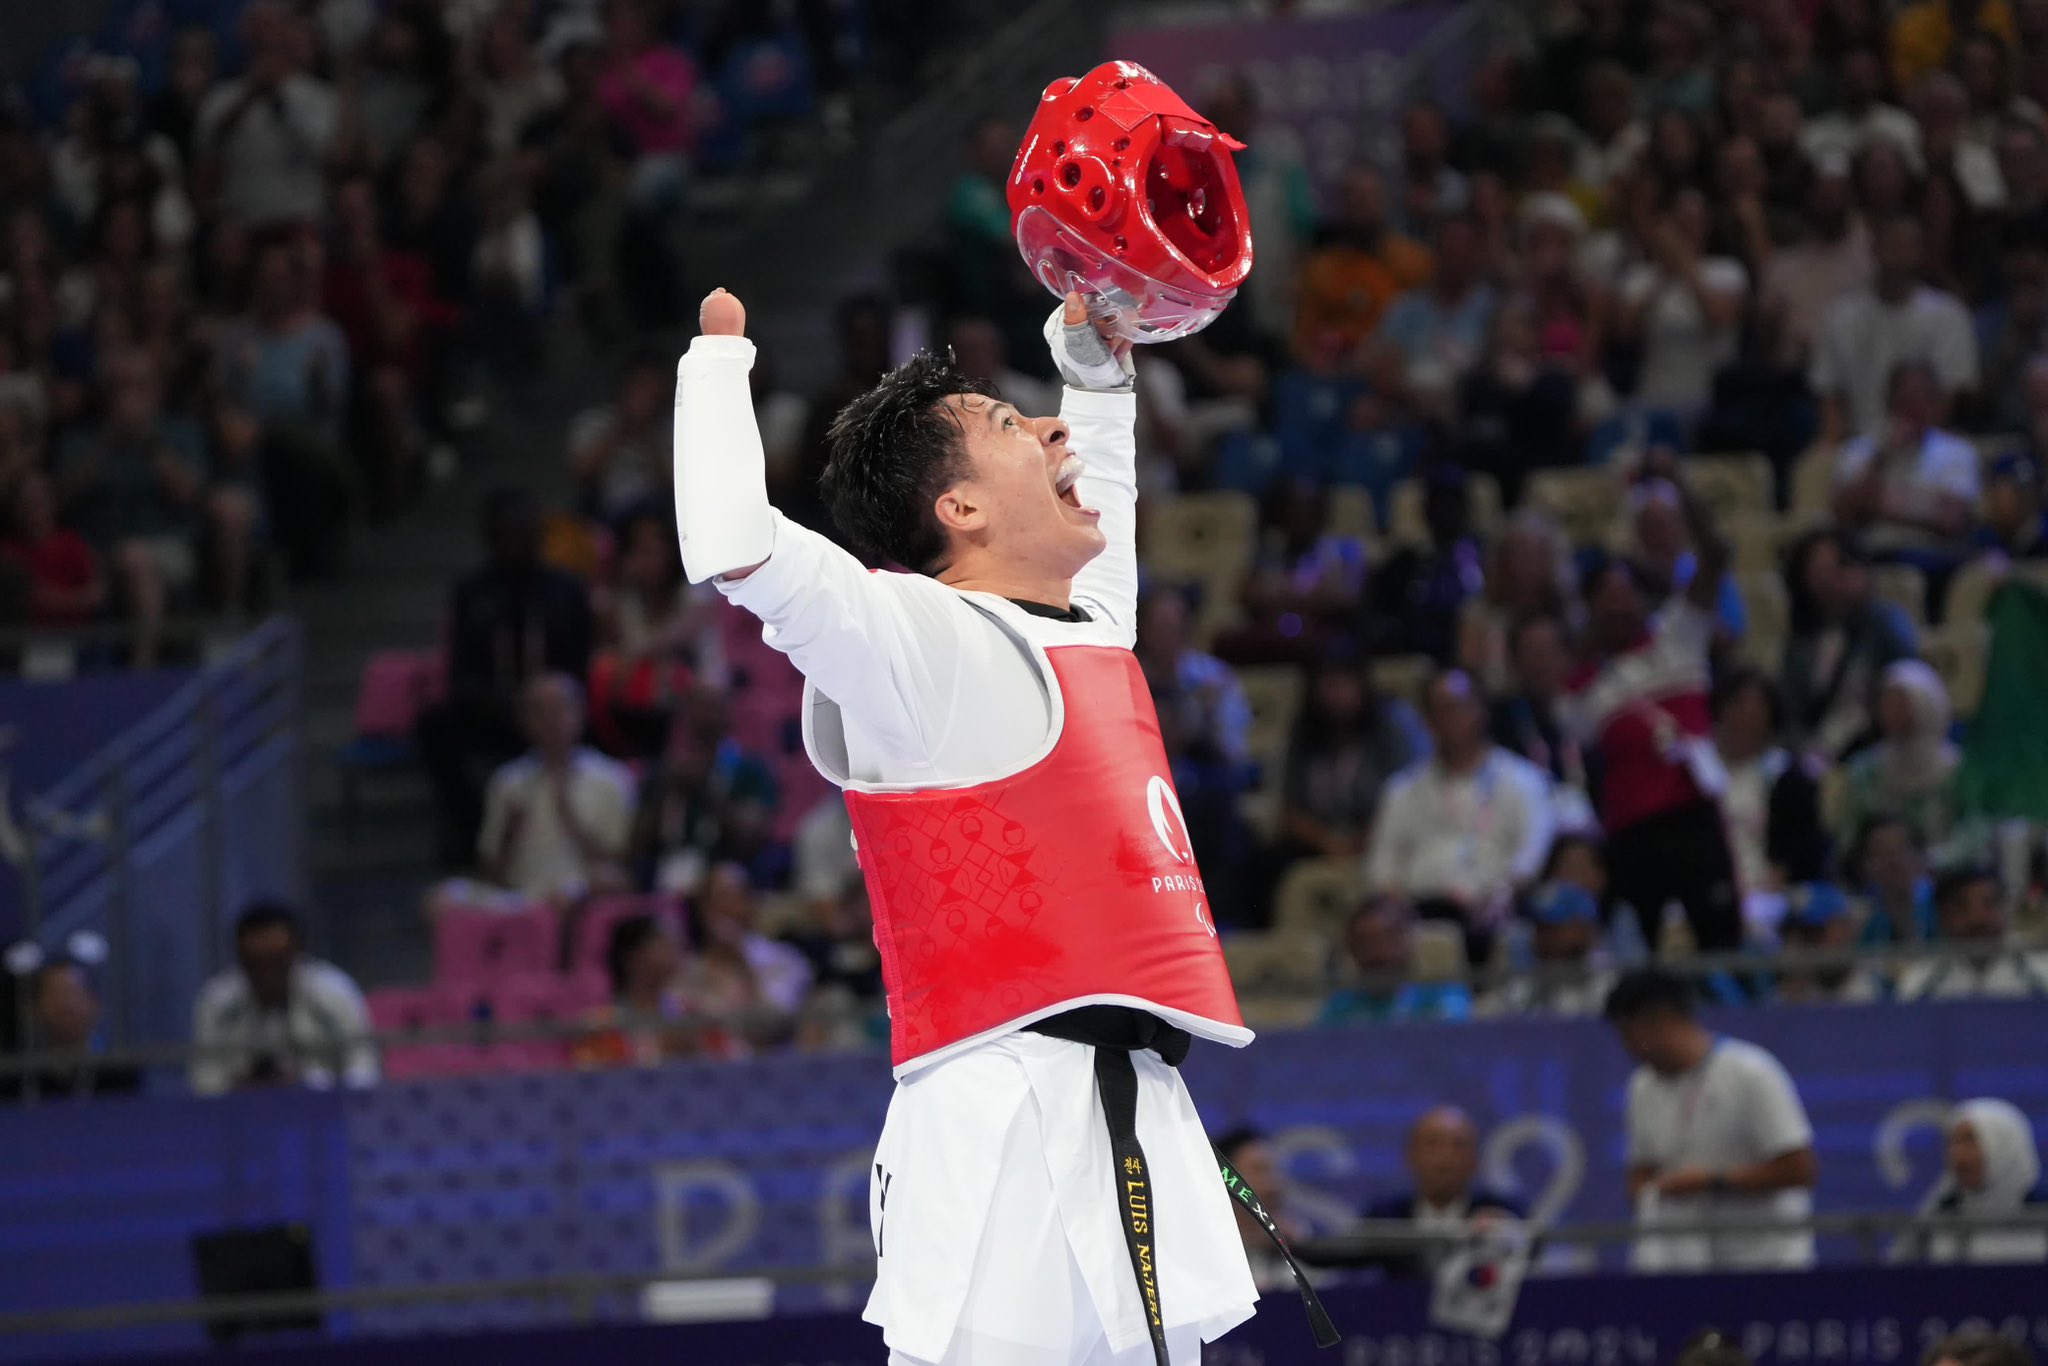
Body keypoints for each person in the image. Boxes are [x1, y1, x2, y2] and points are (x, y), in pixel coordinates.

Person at [674, 285, 1276, 1365]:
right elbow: (733, 542)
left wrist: (1093, 371)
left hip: (1129, 1104)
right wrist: (715, 373)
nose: (1047, 428)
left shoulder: (1084, 632)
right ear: (956, 509)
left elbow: (1107, 511)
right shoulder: (913, 645)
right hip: (998, 1117)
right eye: (1011, 424)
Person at [1564, 460, 1743, 952]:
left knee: (1720, 942)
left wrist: (1680, 483)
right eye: (1607, 600)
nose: (1620, 607)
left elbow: (1716, 553)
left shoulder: (1679, 637)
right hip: (1630, 831)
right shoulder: (1585, 685)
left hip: (1691, 817)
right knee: (1635, 954)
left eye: (1628, 597)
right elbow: (1571, 727)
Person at [415, 487, 595, 867]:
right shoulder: (471, 592)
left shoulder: (567, 591)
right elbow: (461, 672)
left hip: (557, 708)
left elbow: (581, 665)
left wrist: (547, 702)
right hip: (497, 712)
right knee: (435, 726)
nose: (515, 542)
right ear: (490, 536)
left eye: (523, 532)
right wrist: (510, 705)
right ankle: (472, 836)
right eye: (506, 533)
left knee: (583, 714)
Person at [1605, 969, 1818, 1271]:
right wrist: (1652, 1195)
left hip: (1769, 1262)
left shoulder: (1751, 1072)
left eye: (1629, 1034)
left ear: (1661, 1020)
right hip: (1689, 1266)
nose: (1626, 1048)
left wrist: (1713, 1181)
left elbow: (1800, 1170)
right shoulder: (1642, 1086)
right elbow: (1641, 1171)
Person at [1366, 670, 1556, 962]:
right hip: (1419, 914)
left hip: (1493, 909)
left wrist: (1503, 896)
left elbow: (1530, 855)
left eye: (1458, 706)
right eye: (1439, 709)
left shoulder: (1524, 781)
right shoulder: (1401, 790)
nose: (1449, 718)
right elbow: (1383, 866)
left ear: (1481, 710)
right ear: (1427, 720)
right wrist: (1400, 911)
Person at [1810, 216, 1980, 445]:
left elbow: (1949, 396)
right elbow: (1829, 395)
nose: (1899, 253)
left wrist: (1909, 446)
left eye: (1908, 245)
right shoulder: (1840, 316)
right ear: (1874, 247)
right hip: (1858, 446)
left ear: (1921, 251)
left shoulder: (1948, 315)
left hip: (1926, 448)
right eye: (1892, 244)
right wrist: (1835, 453)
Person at [190, 903, 379, 1096]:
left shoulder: (334, 994)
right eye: (255, 964)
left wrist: (308, 1085)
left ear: (298, 953)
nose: (266, 974)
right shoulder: (217, 1003)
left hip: (324, 1114)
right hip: (239, 1116)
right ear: (240, 958)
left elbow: (363, 1072)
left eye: (276, 962)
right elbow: (204, 1084)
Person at [478, 674, 637, 901]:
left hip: (582, 891)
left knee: (595, 884)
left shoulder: (611, 779)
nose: (550, 721)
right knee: (443, 899)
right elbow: (490, 871)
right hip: (520, 895)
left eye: (559, 710)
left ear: (581, 713)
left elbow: (622, 863)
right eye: (539, 712)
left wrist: (569, 817)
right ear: (524, 721)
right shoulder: (507, 781)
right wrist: (509, 835)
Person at [1779, 529, 1920, 758]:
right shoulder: (1800, 643)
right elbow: (1791, 713)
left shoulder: (1884, 624)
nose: (1831, 579)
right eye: (1818, 570)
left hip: (1876, 750)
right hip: (1812, 754)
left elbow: (1907, 687)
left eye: (1839, 567)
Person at [1832, 361, 1982, 559]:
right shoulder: (1859, 450)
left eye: (1922, 396)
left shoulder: (1958, 451)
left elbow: (1954, 519)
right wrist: (1882, 458)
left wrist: (1881, 502)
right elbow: (1843, 514)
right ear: (1890, 400)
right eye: (1906, 397)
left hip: (1933, 554)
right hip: (1869, 553)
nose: (1914, 406)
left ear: (1935, 401)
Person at [1362, 1106, 1526, 1279]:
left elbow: (1533, 1248)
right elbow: (1344, 1256)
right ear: (1410, 1155)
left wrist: (1509, 1233)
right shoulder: (1385, 1216)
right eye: (1433, 1144)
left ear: (1474, 1160)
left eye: (1458, 1145)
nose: (1444, 1158)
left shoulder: (1502, 1210)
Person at [1712, 669, 1828, 907]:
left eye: (1755, 712)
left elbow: (1800, 850)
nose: (1744, 719)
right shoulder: (1700, 773)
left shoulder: (1786, 777)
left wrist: (1766, 888)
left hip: (1767, 890)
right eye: (1737, 707)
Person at [1895, 1099, 2048, 1264]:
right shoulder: (1935, 1220)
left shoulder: (2041, 1213)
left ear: (2005, 1147)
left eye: (1970, 1141)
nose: (1958, 1156)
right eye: (1953, 1142)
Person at [1836, 660, 1963, 856]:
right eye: (1887, 703)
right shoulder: (1865, 771)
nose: (1891, 712)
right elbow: (1850, 838)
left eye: (1901, 703)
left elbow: (1971, 836)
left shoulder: (1957, 771)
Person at [0, 958, 142, 1102]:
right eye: (54, 994)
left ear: (96, 1005)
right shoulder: (16, 1076)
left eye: (73, 993)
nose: (65, 1003)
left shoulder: (121, 1073)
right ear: (34, 1009)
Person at [1319, 896, 1473, 1026]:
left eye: (1387, 938)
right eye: (1363, 942)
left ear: (1409, 941)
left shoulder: (1442, 993)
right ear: (1351, 949)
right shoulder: (1339, 1006)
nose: (1376, 952)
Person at [1897, 868, 2048, 999]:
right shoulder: (1918, 985)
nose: (1978, 918)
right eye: (1961, 907)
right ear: (1943, 916)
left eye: (1989, 903)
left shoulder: (2041, 975)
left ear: (2006, 910)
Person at [1487, 882, 1613, 1017]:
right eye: (1538, 927)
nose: (1541, 937)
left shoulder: (1607, 984)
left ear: (1583, 929)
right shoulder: (1523, 987)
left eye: (1551, 928)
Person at [1214, 1127, 1310, 1294]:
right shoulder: (1205, 1253)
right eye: (1259, 1170)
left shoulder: (1300, 1242)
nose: (1273, 1185)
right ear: (1224, 1181)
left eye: (1274, 1170)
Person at [1774, 881, 1887, 1003]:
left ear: (1847, 930)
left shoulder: (1876, 988)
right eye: (1802, 935)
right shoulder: (1786, 998)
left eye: (1817, 931)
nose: (1808, 943)